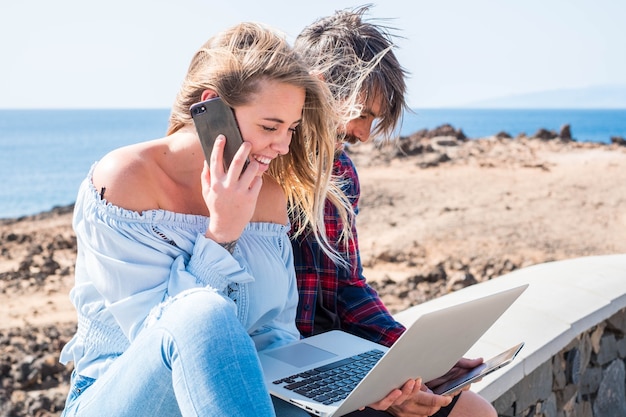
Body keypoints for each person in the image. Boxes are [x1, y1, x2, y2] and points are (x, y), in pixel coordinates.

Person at [58, 22, 351, 417]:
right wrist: (221, 234)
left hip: (237, 396)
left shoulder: (268, 196)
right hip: (122, 400)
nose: (282, 146)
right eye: (270, 126)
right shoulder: (125, 178)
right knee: (202, 312)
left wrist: (348, 386)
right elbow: (166, 335)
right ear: (212, 107)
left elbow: (276, 334)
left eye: (291, 129)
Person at [288, 6, 498, 417]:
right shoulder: (261, 168)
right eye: (362, 113)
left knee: (475, 411)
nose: (364, 134)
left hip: (333, 354)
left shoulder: (342, 171)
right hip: (287, 368)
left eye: (374, 119)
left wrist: (416, 360)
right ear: (321, 87)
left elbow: (347, 285)